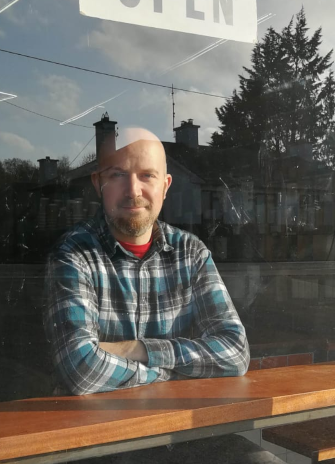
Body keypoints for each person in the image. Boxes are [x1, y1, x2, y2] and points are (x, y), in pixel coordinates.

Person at [45, 127, 250, 395]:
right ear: (97, 184)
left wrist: (135, 349)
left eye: (147, 175)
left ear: (165, 186)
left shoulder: (191, 252)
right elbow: (81, 369)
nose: (133, 190)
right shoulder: (74, 254)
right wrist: (171, 373)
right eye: (117, 175)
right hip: (100, 432)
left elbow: (235, 352)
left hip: (180, 428)